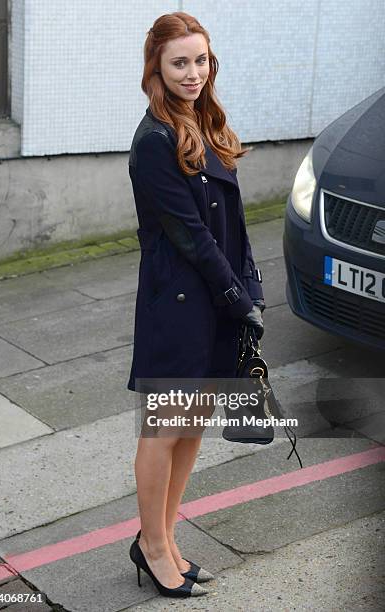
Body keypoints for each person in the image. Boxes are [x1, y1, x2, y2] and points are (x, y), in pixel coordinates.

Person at [127, 11, 265, 599]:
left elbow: (233, 223)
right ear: (156, 66)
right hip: (180, 303)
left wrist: (251, 287)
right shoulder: (154, 139)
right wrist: (236, 298)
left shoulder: (202, 121)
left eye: (200, 60)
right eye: (179, 62)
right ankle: (152, 546)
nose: (191, 72)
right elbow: (190, 235)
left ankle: (166, 538)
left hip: (215, 297)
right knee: (164, 429)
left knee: (191, 427)